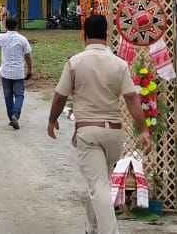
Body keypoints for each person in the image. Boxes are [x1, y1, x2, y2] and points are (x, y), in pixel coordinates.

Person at [47, 14, 152, 234]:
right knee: (99, 183)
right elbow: (132, 98)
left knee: (99, 187)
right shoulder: (119, 64)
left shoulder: (74, 63)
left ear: (84, 34)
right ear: (106, 35)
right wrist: (143, 129)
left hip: (88, 132)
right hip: (113, 134)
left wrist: (52, 119)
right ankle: (90, 227)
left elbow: (59, 96)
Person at [0, 17, 33, 129]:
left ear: (5, 26)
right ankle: (15, 115)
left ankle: (11, 118)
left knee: (8, 96)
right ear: (16, 26)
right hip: (18, 72)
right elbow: (27, 56)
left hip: (6, 72)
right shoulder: (22, 39)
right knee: (19, 95)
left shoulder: (1, 37)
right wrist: (30, 70)